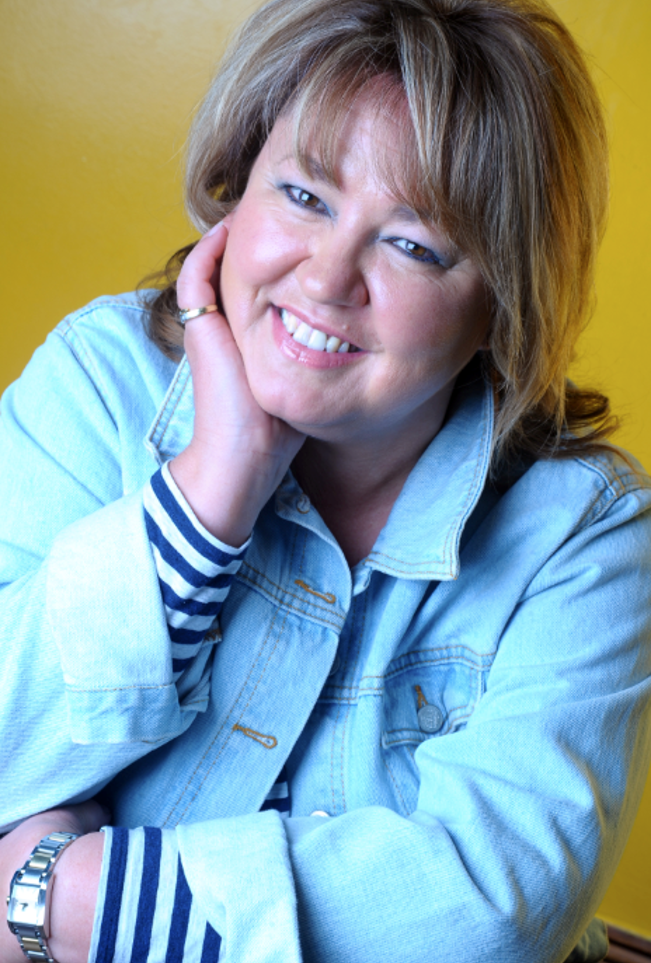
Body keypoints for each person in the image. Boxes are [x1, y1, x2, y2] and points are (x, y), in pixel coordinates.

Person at [1, 0, 650, 960]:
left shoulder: (583, 533)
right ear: (237, 187)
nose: (326, 276)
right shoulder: (101, 382)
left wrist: (68, 896)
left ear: (499, 306)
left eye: (416, 245)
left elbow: (490, 915)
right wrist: (208, 492)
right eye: (304, 196)